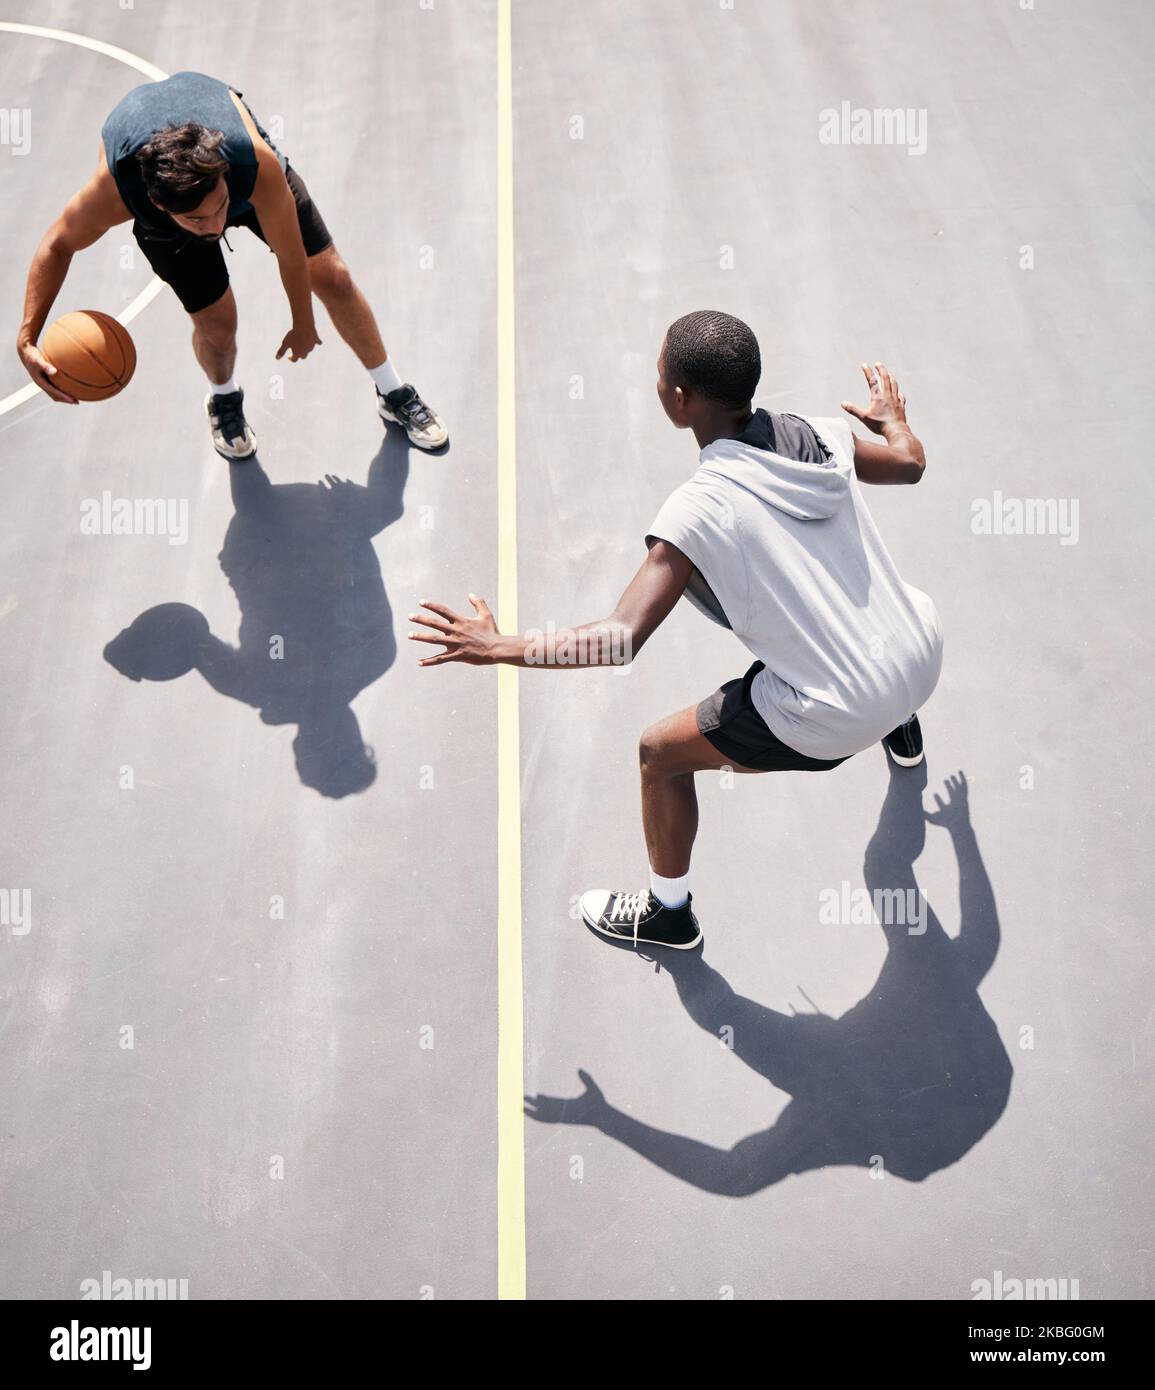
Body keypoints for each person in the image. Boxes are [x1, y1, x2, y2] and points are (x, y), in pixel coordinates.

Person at [408, 310, 943, 950]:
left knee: (658, 755)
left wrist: (498, 647)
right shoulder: (826, 433)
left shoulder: (698, 509)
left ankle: (668, 914)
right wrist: (894, 420)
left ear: (681, 399)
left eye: (660, 374)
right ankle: (899, 720)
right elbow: (909, 464)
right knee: (853, 612)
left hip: (843, 707)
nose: (656, 381)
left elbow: (619, 638)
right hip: (919, 649)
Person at [16, 70, 446, 458]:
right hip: (173, 208)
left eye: (220, 209)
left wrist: (303, 322)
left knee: (332, 276)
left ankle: (393, 392)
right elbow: (56, 245)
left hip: (244, 181)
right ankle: (223, 397)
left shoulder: (254, 166)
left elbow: (291, 251)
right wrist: (27, 338)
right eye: (198, 219)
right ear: (158, 205)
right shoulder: (115, 192)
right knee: (218, 327)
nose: (216, 225)